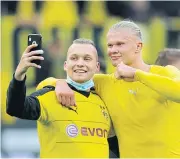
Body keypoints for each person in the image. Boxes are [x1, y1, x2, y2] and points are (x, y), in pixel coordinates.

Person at [38, 20, 180, 157]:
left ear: (138, 46)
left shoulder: (165, 73)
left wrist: (137, 75)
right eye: (110, 45)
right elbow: (48, 84)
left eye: (120, 44)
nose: (113, 50)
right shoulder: (105, 83)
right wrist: (59, 83)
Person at [6, 38, 114, 158]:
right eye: (74, 58)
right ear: (65, 65)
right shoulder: (51, 95)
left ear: (97, 66)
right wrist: (19, 74)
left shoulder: (104, 103)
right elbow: (15, 108)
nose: (80, 63)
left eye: (87, 59)